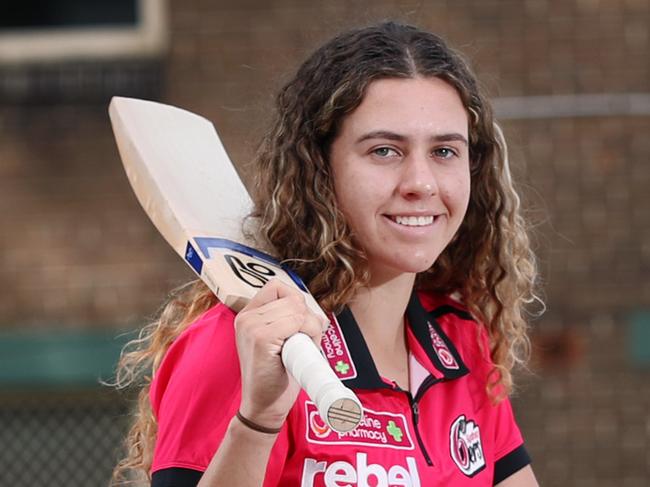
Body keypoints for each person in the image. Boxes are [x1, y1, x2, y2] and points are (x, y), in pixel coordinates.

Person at [112, 21, 541, 487]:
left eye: (444, 151)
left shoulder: (462, 344)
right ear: (320, 169)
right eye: (384, 150)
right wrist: (258, 421)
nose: (421, 182)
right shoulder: (246, 343)